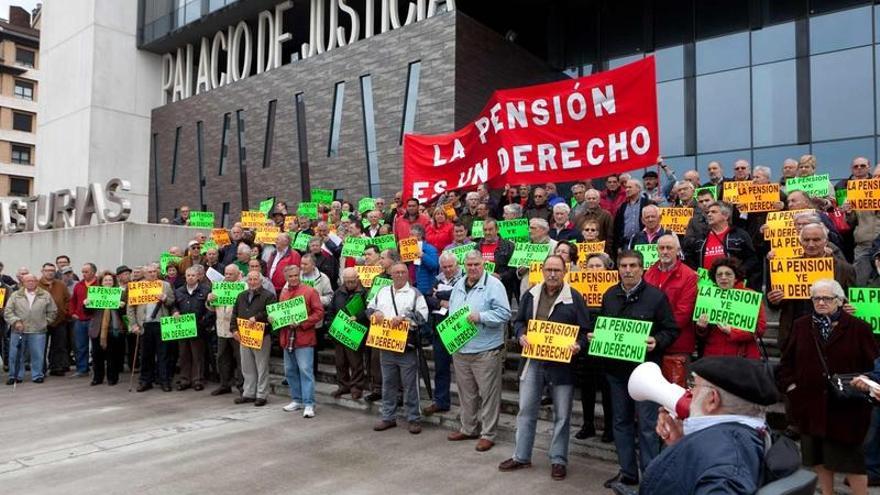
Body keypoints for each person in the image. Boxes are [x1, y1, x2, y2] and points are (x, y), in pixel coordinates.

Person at [778, 279, 879, 495]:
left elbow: (873, 364)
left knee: (852, 460)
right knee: (817, 456)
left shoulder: (859, 328)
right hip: (810, 403)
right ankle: (827, 492)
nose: (821, 302)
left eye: (827, 298)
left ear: (840, 301)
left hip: (846, 406)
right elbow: (787, 362)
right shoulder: (801, 325)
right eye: (817, 298)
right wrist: (791, 388)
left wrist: (865, 381)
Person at [498, 255, 589, 480]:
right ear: (542, 270)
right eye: (548, 269)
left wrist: (578, 345)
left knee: (562, 415)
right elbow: (518, 322)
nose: (552, 274)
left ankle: (558, 459)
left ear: (565, 271)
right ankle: (521, 456)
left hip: (562, 365)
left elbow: (585, 332)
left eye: (557, 270)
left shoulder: (574, 298)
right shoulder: (531, 294)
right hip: (533, 361)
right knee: (526, 410)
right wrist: (520, 336)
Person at [596, 250, 679, 488]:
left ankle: (651, 476)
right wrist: (596, 335)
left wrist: (658, 341)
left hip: (646, 375)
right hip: (616, 372)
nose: (628, 270)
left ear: (642, 268)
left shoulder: (656, 297)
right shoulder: (610, 295)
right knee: (621, 423)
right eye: (623, 266)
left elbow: (671, 329)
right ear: (618, 269)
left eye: (633, 265)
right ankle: (628, 473)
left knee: (647, 426)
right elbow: (602, 323)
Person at [636, 356, 780, 494]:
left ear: (712, 399)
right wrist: (681, 443)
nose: (689, 392)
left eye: (694, 385)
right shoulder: (750, 434)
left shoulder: (728, 467)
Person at [447, 251, 511, 451]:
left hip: (486, 350)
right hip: (461, 348)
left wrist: (481, 317)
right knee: (467, 394)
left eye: (476, 264)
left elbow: (504, 313)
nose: (473, 268)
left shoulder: (494, 285)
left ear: (483, 264)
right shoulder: (458, 284)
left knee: (489, 394)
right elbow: (452, 311)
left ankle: (488, 433)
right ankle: (468, 428)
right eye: (469, 264)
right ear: (464, 265)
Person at [367, 261, 429, 435]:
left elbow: (423, 317)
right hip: (385, 346)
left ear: (407, 274)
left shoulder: (415, 294)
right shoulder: (382, 291)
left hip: (406, 347)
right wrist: (374, 313)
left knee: (410, 385)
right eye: (397, 272)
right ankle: (388, 417)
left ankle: (414, 418)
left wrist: (404, 318)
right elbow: (369, 308)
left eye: (403, 272)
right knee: (388, 383)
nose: (400, 275)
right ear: (391, 274)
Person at [643, 234, 697, 387]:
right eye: (661, 248)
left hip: (677, 345)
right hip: (651, 344)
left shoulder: (689, 276)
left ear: (678, 250)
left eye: (669, 248)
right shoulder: (649, 273)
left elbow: (683, 313)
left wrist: (660, 335)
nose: (665, 251)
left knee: (675, 397)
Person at [695, 258, 767, 359]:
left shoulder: (751, 296)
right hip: (714, 357)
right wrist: (701, 327)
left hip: (743, 358)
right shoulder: (707, 298)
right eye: (719, 275)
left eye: (728, 274)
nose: (723, 277)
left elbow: (759, 329)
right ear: (714, 278)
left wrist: (732, 331)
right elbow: (702, 335)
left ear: (736, 277)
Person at [277, 265, 325, 418]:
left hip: (304, 338)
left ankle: (309, 403)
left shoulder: (310, 291)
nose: (293, 278)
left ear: (300, 275)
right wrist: (275, 318)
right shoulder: (284, 293)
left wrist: (303, 322)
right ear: (286, 277)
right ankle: (297, 400)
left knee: (305, 371)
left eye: (296, 275)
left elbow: (319, 313)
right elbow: (281, 313)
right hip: (287, 338)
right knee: (290, 371)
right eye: (290, 276)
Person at [423, 252, 463, 416]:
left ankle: (467, 408)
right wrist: (440, 301)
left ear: (457, 265)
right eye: (444, 267)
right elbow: (426, 296)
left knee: (463, 371)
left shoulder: (464, 278)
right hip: (440, 328)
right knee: (441, 368)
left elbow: (460, 296)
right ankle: (441, 401)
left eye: (450, 266)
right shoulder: (438, 278)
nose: (447, 270)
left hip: (458, 327)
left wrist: (439, 294)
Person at [231, 270, 276, 406]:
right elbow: (235, 314)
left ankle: (261, 394)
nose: (252, 282)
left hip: (261, 335)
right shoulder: (241, 296)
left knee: (261, 366)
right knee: (247, 366)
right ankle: (249, 393)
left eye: (255, 279)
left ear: (261, 281)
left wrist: (257, 317)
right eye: (250, 279)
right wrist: (233, 329)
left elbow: (271, 311)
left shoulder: (269, 296)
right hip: (244, 335)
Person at [129, 263, 177, 392]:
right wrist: (133, 324)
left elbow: (172, 302)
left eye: (154, 271)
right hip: (144, 324)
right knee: (145, 355)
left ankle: (164, 381)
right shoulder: (138, 286)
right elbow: (130, 308)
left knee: (163, 354)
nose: (152, 274)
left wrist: (165, 298)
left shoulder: (165, 285)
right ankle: (145, 381)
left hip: (161, 323)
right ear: (144, 274)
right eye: (149, 272)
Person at [4, 274, 58, 384]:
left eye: (33, 281)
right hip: (18, 330)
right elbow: (8, 311)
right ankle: (15, 376)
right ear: (23, 282)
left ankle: (37, 375)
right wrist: (15, 321)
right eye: (28, 281)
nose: (30, 283)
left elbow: (53, 311)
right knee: (16, 354)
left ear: (37, 282)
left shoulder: (45, 295)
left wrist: (45, 322)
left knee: (38, 354)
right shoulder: (15, 295)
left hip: (38, 331)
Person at [696, 202, 760, 289]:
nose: (709, 215)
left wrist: (737, 274)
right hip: (708, 289)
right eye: (708, 212)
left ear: (725, 216)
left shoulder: (740, 235)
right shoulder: (700, 237)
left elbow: (752, 259)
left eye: (714, 212)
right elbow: (691, 259)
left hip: (735, 287)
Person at [328, 267, 369, 399]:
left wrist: (358, 317)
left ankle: (357, 387)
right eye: (347, 281)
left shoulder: (364, 293)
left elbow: (369, 310)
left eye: (352, 281)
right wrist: (332, 325)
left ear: (358, 278)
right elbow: (331, 311)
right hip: (340, 331)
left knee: (355, 362)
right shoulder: (338, 293)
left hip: (355, 332)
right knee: (340, 362)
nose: (350, 284)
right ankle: (343, 385)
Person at [172, 266, 213, 391]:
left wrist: (203, 321)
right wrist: (175, 312)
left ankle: (197, 380)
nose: (190, 278)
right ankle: (185, 379)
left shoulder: (206, 290)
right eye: (188, 275)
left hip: (199, 327)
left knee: (197, 355)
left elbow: (210, 308)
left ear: (198, 277)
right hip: (183, 327)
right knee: (184, 354)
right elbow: (174, 305)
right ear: (185, 276)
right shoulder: (179, 291)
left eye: (193, 275)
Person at [206, 264, 243, 396]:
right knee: (222, 357)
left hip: (237, 330)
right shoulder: (218, 286)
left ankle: (242, 386)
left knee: (240, 359)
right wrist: (210, 300)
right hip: (221, 328)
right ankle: (224, 384)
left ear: (238, 274)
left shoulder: (243, 287)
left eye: (230, 274)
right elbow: (211, 308)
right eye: (226, 274)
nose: (227, 276)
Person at [84, 271, 126, 386]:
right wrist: (86, 304)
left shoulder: (120, 294)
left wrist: (122, 306)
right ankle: (97, 377)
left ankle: (112, 377)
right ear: (101, 283)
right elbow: (88, 312)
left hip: (114, 328)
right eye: (106, 280)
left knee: (113, 355)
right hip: (97, 328)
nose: (108, 282)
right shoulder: (95, 293)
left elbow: (125, 313)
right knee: (97, 355)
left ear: (114, 282)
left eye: (110, 280)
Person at [39, 263, 71, 377]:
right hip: (42, 321)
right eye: (47, 270)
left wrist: (65, 311)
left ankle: (56, 367)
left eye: (52, 270)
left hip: (59, 320)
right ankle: (40, 369)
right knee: (41, 346)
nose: (50, 272)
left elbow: (68, 300)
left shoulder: (61, 285)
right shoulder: (37, 285)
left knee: (59, 345)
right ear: (42, 271)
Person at [68, 263, 99, 378]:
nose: (83, 274)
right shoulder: (79, 285)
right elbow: (72, 301)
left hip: (94, 319)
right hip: (80, 320)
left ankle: (97, 369)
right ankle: (82, 369)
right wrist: (73, 313)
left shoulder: (99, 285)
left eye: (86, 272)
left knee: (96, 346)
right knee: (80, 345)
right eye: (83, 272)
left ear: (93, 272)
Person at [613, 179, 650, 255]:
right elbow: (618, 227)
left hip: (643, 243)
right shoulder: (623, 206)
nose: (627, 190)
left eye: (630, 187)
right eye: (626, 187)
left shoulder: (647, 203)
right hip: (626, 244)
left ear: (638, 189)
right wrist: (619, 246)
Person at [409, 224, 440, 295]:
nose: (409, 237)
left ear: (419, 236)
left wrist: (423, 255)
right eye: (409, 235)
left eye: (412, 235)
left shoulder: (430, 249)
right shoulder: (410, 249)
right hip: (414, 286)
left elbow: (434, 266)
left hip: (427, 289)